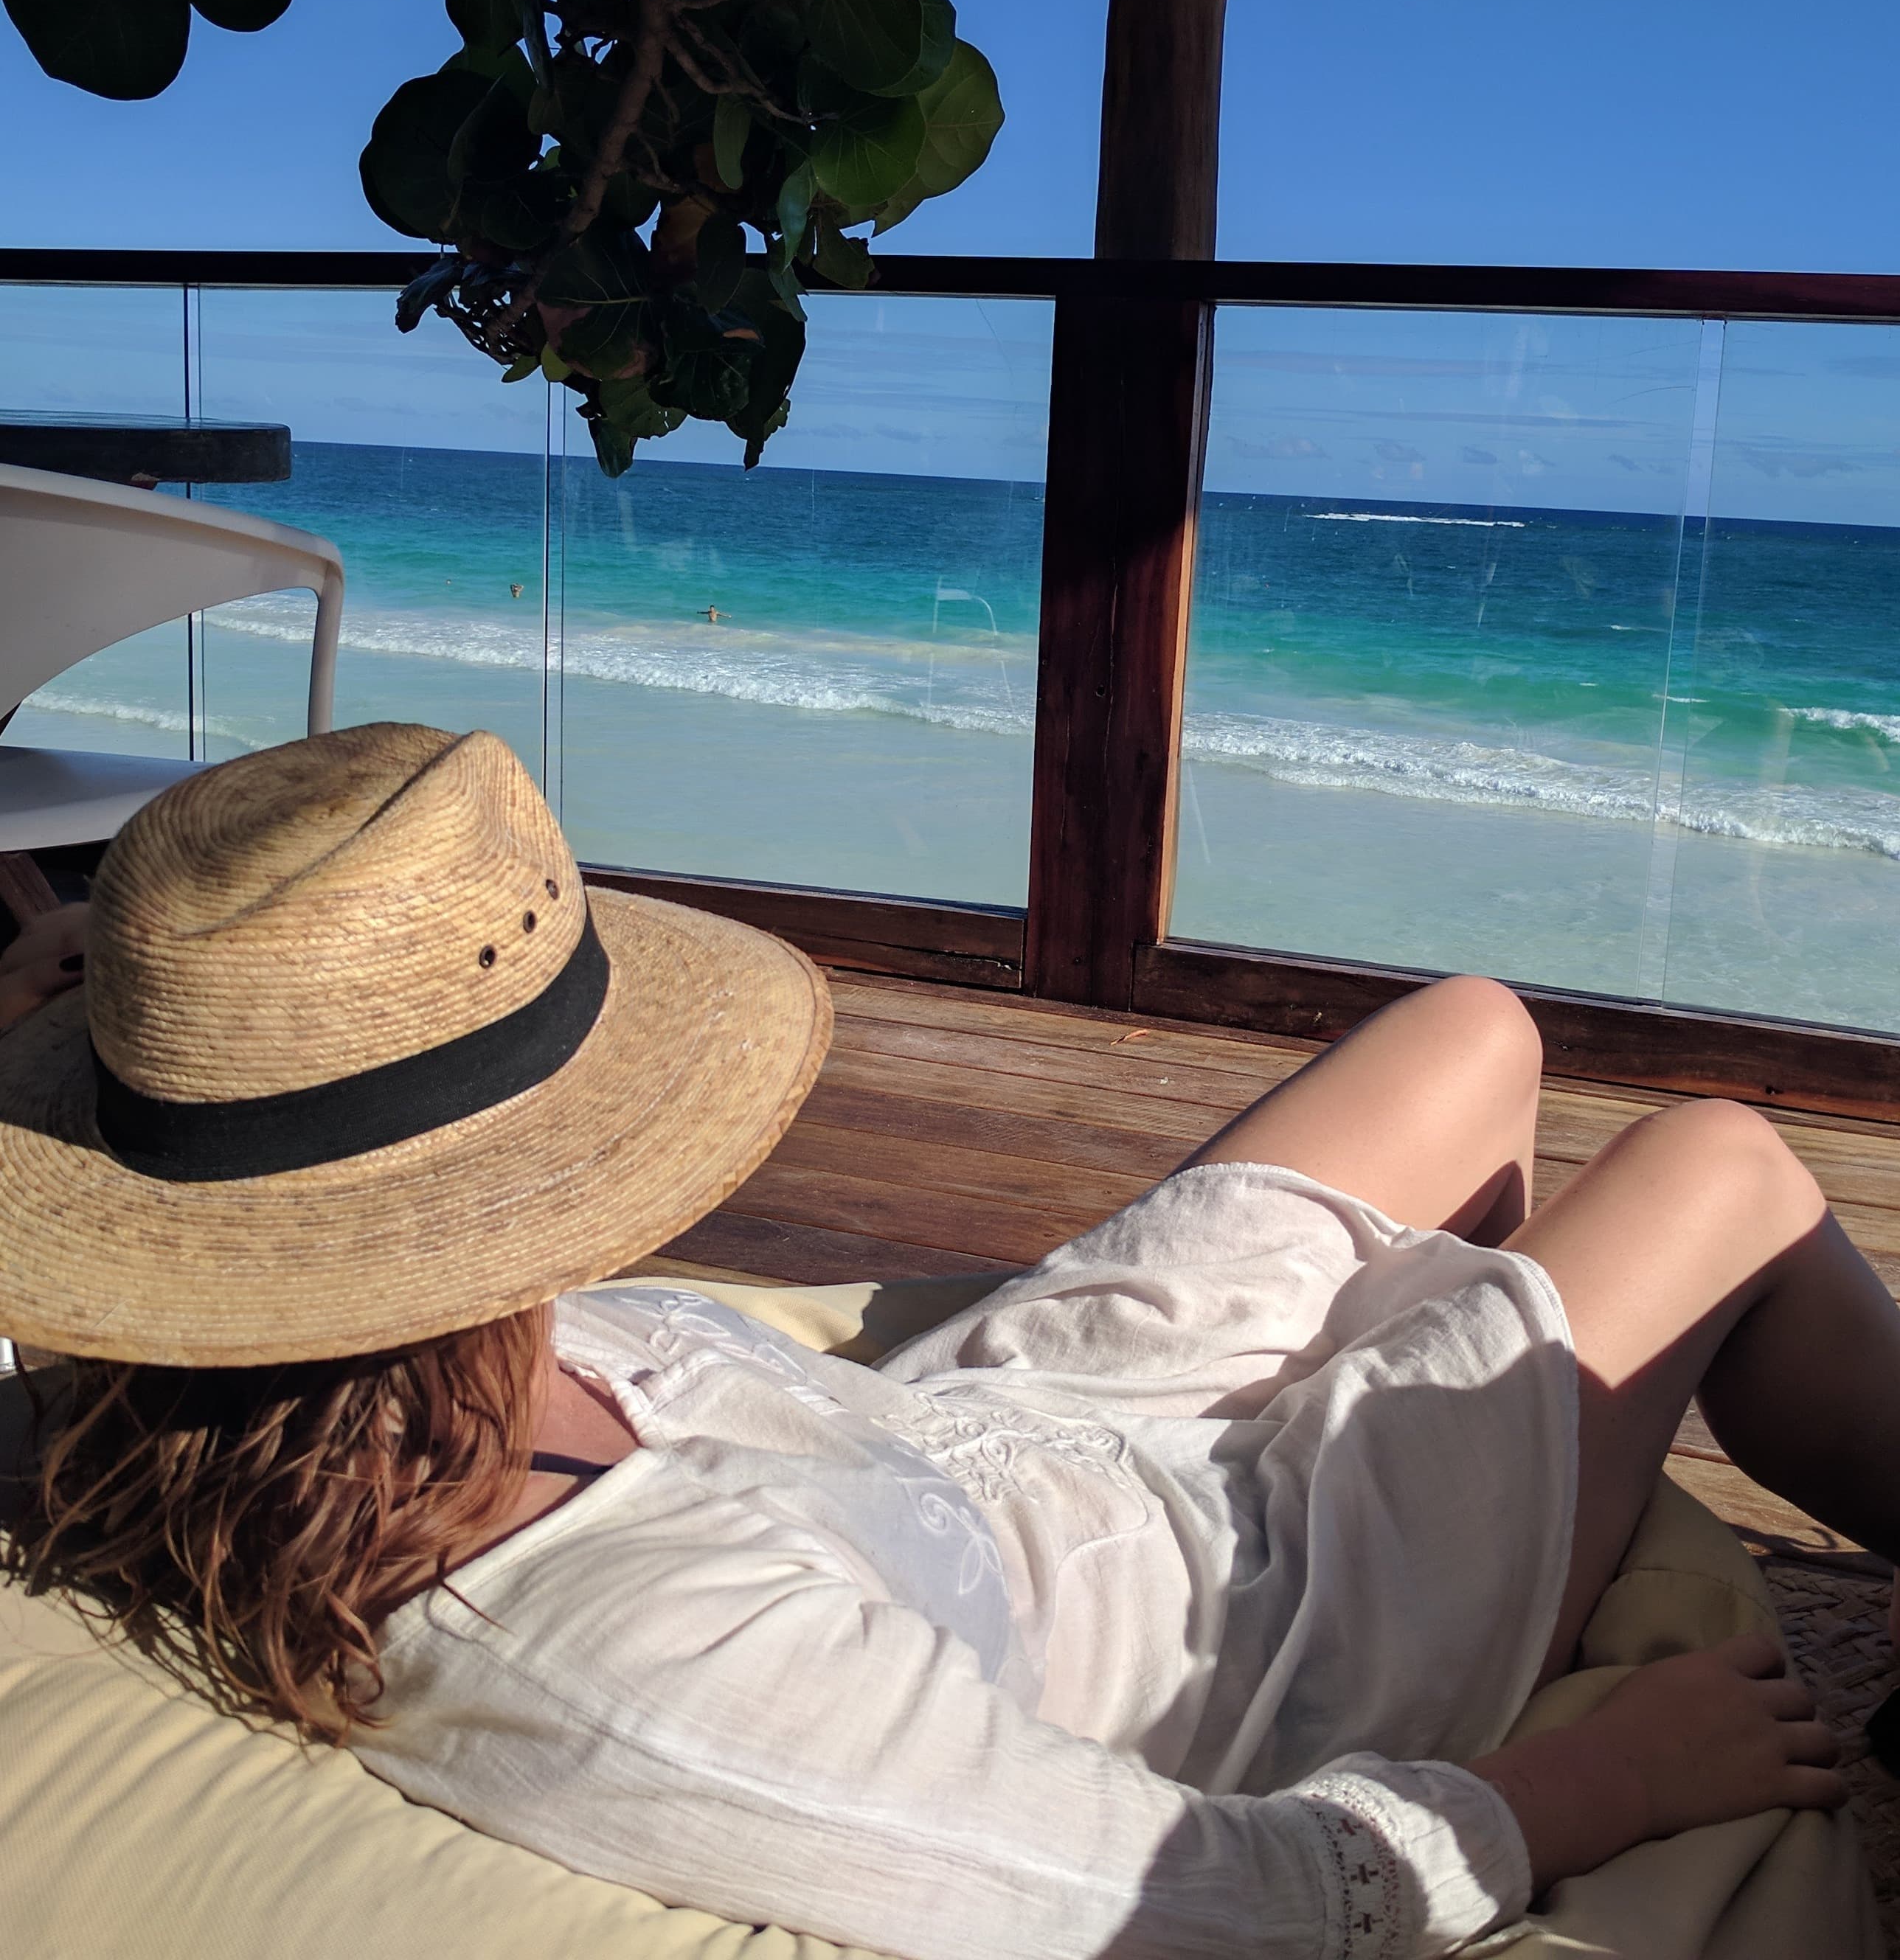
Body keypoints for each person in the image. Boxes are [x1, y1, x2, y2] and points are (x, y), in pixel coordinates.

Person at [1, 721, 1894, 1960]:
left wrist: (76, 1059)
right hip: (1266, 1615)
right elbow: (1213, 1900)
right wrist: (1608, 1784)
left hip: (1026, 1408)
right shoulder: (641, 1667)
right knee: (1718, 1167)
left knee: (1470, 1030)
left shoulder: (269, 1394)